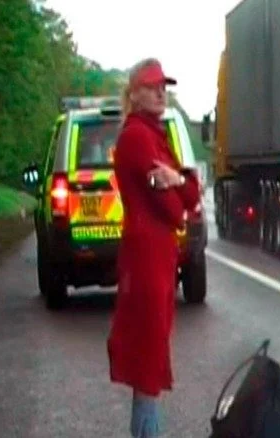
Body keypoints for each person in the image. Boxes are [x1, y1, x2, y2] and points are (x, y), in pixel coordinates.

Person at [107, 58, 201, 438]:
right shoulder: (136, 137)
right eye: (152, 86)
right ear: (134, 93)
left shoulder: (156, 134)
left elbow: (191, 194)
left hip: (158, 255)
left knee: (152, 354)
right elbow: (175, 206)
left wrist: (177, 180)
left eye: (164, 86)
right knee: (147, 360)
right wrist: (180, 190)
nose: (162, 92)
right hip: (146, 256)